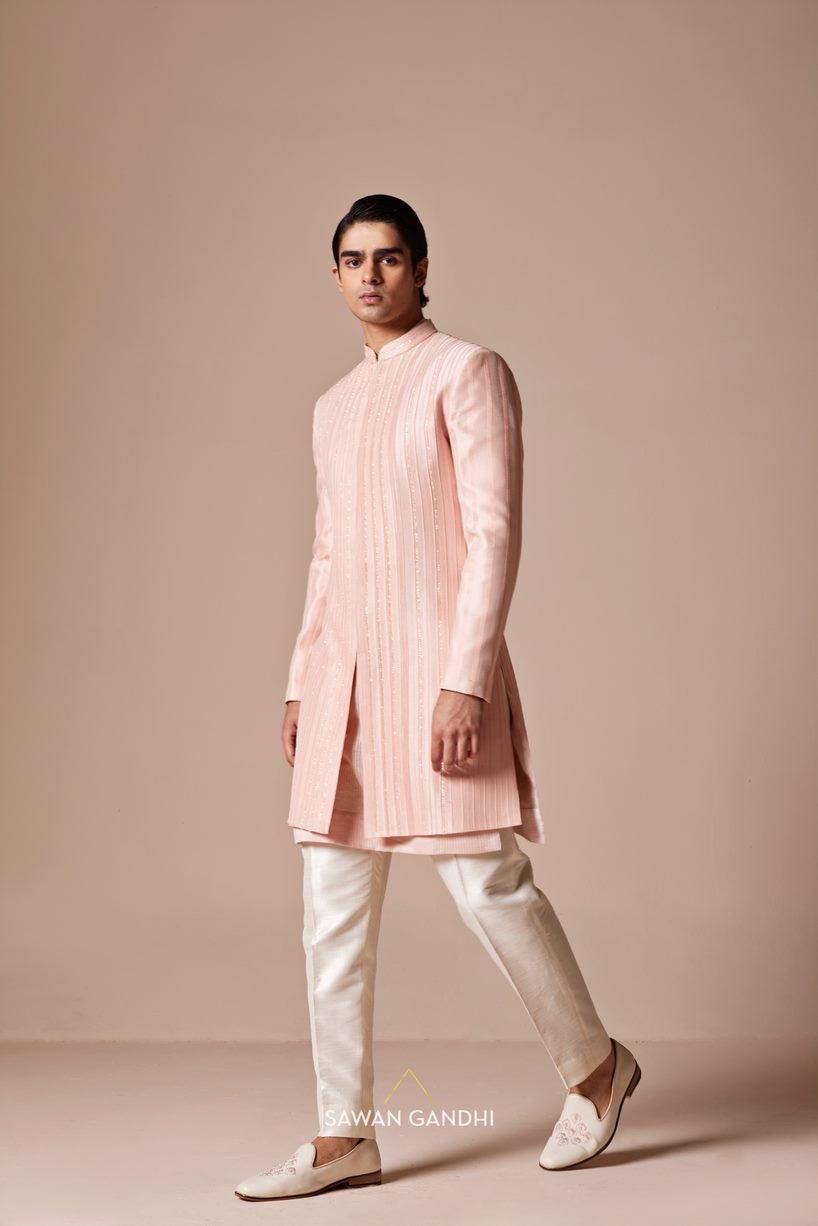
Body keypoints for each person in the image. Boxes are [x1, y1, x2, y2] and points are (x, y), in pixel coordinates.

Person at [234, 195, 641, 1201]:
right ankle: (343, 1136)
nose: (369, 275)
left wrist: (467, 677)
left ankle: (596, 1067)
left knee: (486, 885)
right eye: (352, 259)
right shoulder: (333, 406)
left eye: (388, 257)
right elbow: (328, 556)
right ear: (335, 275)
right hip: (344, 686)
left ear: (420, 268)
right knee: (329, 912)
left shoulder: (466, 371)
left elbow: (493, 534)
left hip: (436, 679)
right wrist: (301, 681)